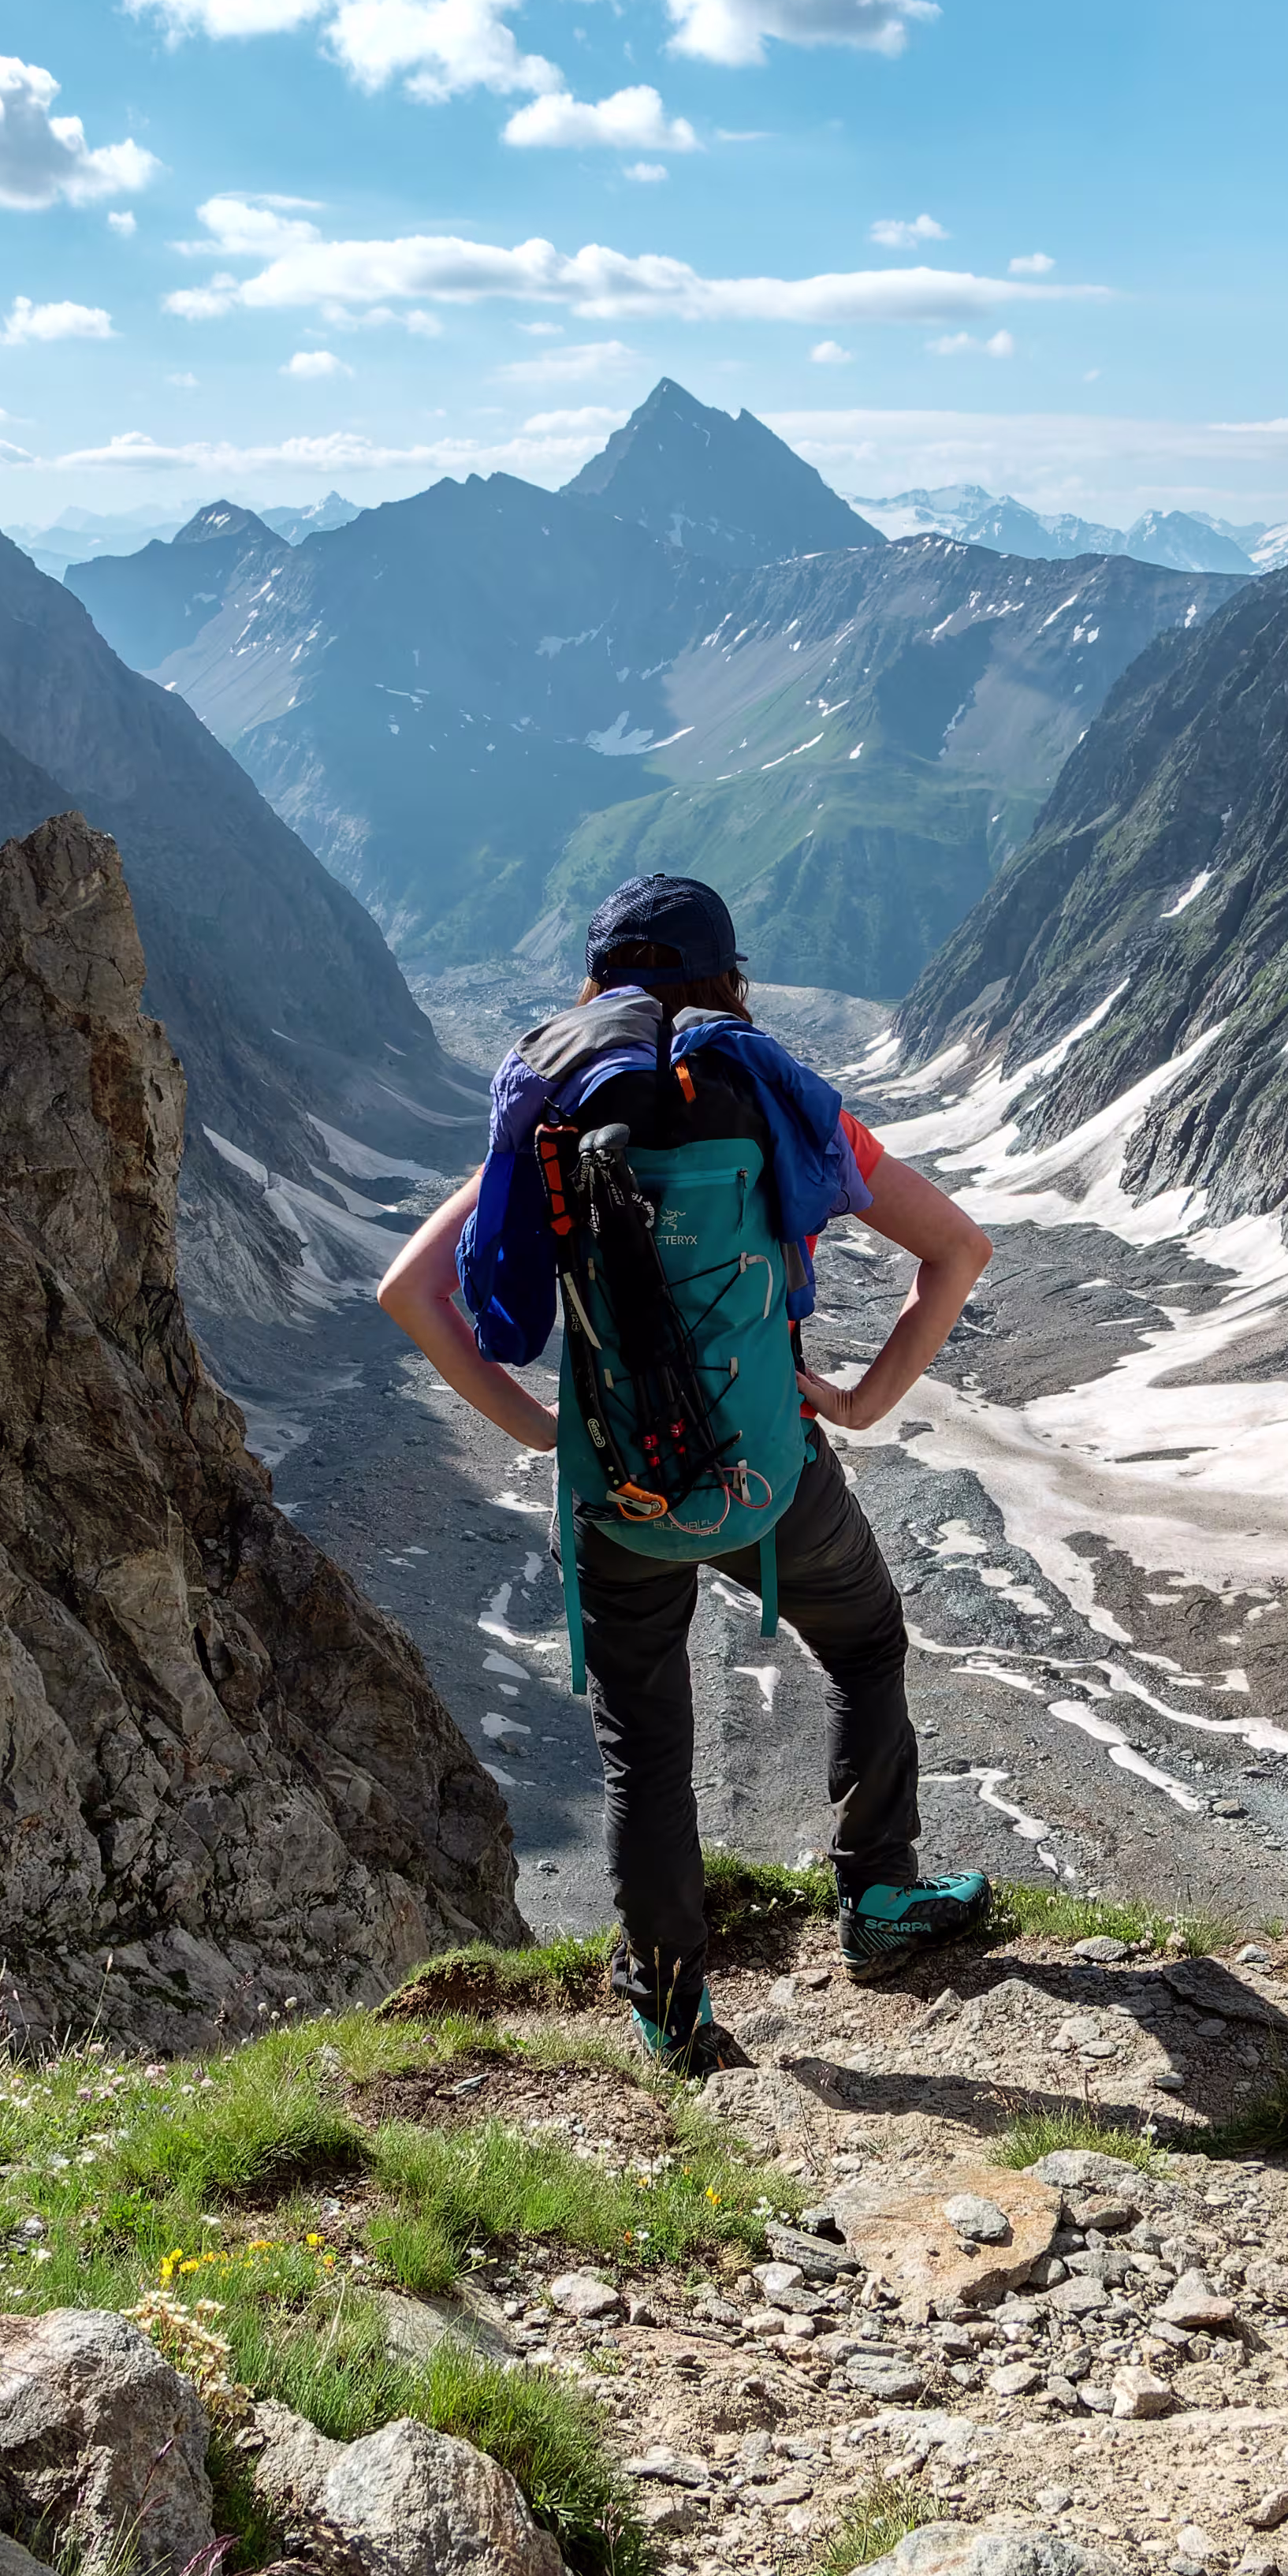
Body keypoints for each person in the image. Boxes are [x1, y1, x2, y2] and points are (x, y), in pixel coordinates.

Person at [378, 873, 1000, 2071]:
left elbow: (412, 1288)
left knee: (644, 1744)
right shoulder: (774, 1102)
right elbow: (957, 1249)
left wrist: (535, 1428)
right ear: (730, 981)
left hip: (618, 1493)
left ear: (599, 985)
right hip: (772, 1474)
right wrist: (864, 1401)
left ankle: (670, 2003)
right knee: (865, 1641)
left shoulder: (558, 1109)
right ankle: (879, 1898)